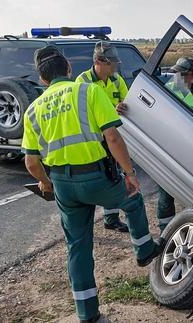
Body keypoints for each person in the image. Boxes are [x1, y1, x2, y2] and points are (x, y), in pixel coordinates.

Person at [21, 45, 163, 323]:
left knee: (77, 245)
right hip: (96, 176)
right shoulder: (88, 91)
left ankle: (87, 313)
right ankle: (144, 250)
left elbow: (31, 163)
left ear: (42, 79)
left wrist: (45, 183)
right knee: (132, 199)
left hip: (63, 184)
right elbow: (112, 137)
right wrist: (129, 172)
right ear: (69, 69)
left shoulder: (33, 110)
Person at [157, 57, 193, 231]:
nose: (175, 76)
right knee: (165, 194)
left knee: (190, 193)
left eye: (180, 73)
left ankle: (190, 227)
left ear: (191, 76)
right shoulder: (165, 91)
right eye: (175, 72)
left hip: (191, 153)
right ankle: (164, 230)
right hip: (168, 149)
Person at [75, 41, 129, 233]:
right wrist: (108, 112)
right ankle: (86, 219)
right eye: (110, 62)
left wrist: (123, 106)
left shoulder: (116, 80)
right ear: (98, 61)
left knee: (113, 175)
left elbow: (127, 100)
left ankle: (111, 218)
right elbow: (81, 114)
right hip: (93, 138)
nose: (114, 66)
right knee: (96, 177)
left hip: (111, 136)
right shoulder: (82, 82)